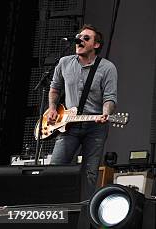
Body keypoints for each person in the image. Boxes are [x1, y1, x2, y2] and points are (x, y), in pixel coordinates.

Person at [47, 24, 118, 199]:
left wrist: (106, 113)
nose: (80, 40)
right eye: (79, 37)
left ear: (96, 45)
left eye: (86, 38)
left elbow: (110, 98)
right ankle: (51, 206)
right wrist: (52, 108)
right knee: (55, 168)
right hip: (68, 125)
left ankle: (83, 212)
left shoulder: (107, 67)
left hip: (95, 127)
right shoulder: (64, 63)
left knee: (90, 172)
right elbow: (54, 88)